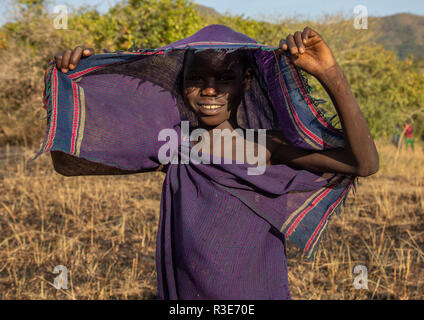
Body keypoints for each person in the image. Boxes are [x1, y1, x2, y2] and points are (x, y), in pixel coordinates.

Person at [35, 25, 379, 299]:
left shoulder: (264, 145)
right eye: (196, 79)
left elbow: (363, 163)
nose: (210, 90)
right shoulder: (174, 144)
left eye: (224, 79)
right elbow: (66, 164)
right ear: (182, 84)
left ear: (245, 82)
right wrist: (64, 88)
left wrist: (330, 73)